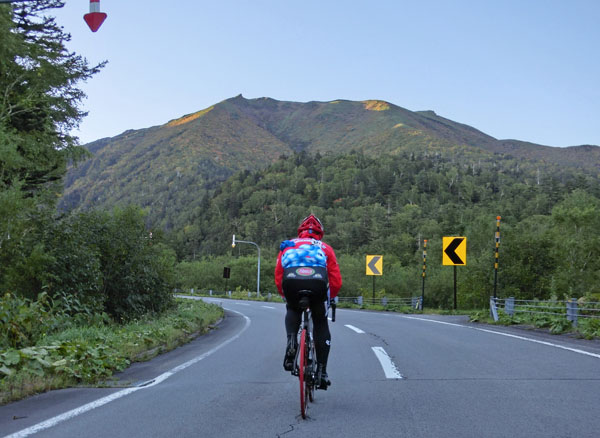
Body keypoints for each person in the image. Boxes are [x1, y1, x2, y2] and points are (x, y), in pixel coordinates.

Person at [274, 214, 342, 389]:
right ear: (320, 234)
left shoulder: (289, 245)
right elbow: (335, 280)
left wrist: (285, 295)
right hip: (317, 284)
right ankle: (322, 371)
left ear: (300, 232)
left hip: (291, 282)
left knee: (293, 308)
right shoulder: (325, 248)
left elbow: (278, 274)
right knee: (320, 321)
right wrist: (330, 297)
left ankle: (291, 341)